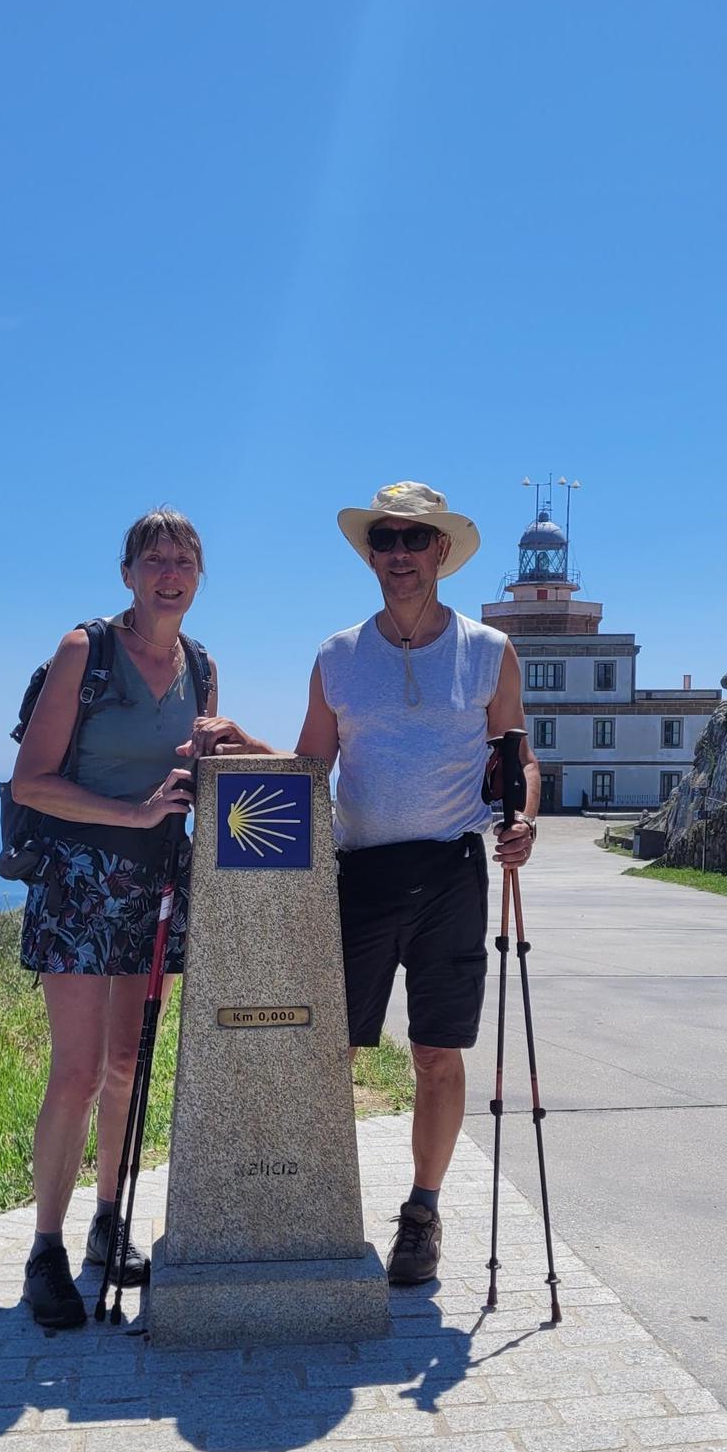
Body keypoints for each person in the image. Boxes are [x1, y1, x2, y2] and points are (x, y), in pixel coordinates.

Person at [191, 480, 539, 1286]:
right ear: (371, 554)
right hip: (360, 873)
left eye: (415, 539)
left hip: (452, 869)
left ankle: (422, 1213)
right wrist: (245, 745)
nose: (400, 554)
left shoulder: (490, 650)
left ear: (441, 551)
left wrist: (523, 819)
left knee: (437, 1053)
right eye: (386, 540)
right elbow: (314, 769)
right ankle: (313, 1202)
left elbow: (517, 758)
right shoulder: (338, 656)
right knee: (332, 1047)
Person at [11, 508, 217, 1328]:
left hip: (155, 881)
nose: (170, 574)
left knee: (128, 1064)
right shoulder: (85, 650)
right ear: (127, 574)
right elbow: (31, 781)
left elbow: (197, 775)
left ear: (199, 577)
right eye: (154, 560)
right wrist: (132, 814)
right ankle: (45, 1249)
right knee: (78, 1071)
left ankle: (107, 1225)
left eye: (184, 562)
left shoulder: (202, 667)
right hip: (77, 879)